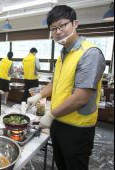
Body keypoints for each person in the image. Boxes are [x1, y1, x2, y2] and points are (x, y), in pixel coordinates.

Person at [26, 5, 106, 170]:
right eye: (53, 28)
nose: (57, 31)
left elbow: (80, 98)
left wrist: (50, 115)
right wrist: (38, 96)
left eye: (62, 25)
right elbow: (55, 83)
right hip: (59, 121)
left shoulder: (89, 53)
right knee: (61, 165)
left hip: (77, 128)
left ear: (75, 23)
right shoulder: (63, 54)